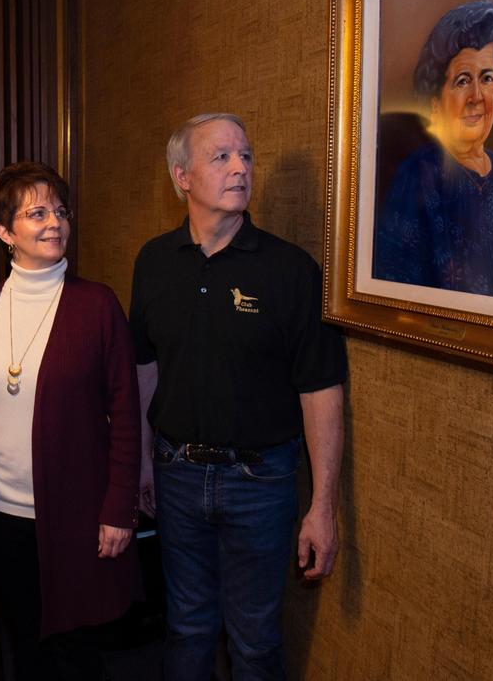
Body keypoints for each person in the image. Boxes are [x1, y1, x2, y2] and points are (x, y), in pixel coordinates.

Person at [130, 114, 348, 680]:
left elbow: (321, 390)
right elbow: (145, 366)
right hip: (175, 476)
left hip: (261, 483)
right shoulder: (153, 262)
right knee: (186, 630)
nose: (240, 168)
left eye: (246, 156)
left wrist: (322, 505)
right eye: (221, 156)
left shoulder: (292, 271)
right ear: (182, 175)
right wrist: (141, 461)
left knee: (253, 643)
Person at [0, 161, 142, 680]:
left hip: (76, 514)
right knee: (23, 643)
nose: (54, 222)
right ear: (4, 232)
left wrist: (119, 508)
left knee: (77, 649)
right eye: (36, 212)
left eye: (60, 210)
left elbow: (127, 415)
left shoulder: (98, 305)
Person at [373, 0, 493, 303]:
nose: (477, 96)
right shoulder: (417, 176)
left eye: (487, 78)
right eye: (462, 80)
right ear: (435, 102)